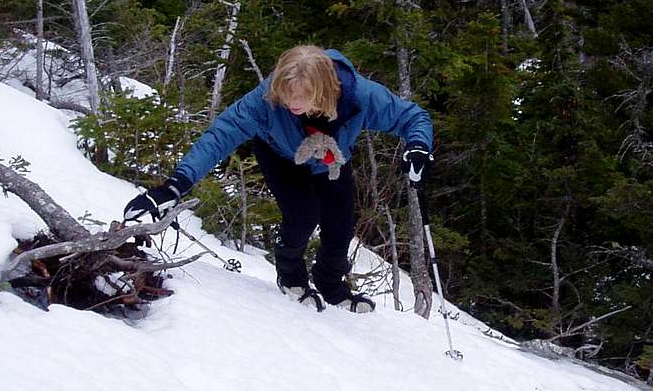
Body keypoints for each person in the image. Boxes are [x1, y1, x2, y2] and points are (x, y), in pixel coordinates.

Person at [123, 45, 433, 313]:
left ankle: (331, 284)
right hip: (280, 154)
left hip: (330, 158)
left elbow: (412, 116)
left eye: (301, 96)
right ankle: (292, 277)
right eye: (287, 95)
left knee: (340, 223)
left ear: (325, 88)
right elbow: (221, 135)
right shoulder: (267, 99)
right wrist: (174, 185)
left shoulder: (359, 96)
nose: (292, 103)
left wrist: (418, 147)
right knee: (302, 214)